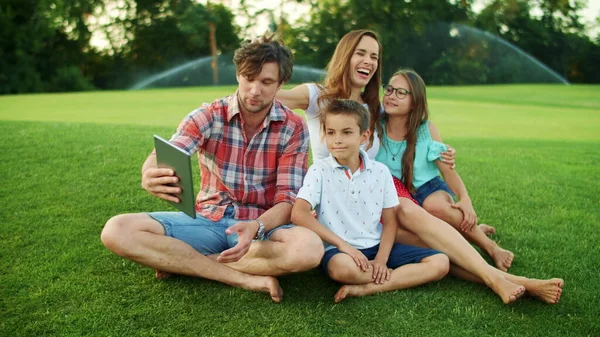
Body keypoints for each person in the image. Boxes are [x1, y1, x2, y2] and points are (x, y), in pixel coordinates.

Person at [279, 29, 563, 304]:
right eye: (360, 53)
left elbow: (410, 126)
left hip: (379, 192)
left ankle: (505, 280)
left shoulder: (373, 107)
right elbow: (270, 95)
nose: (368, 61)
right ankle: (507, 280)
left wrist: (442, 151)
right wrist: (252, 82)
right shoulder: (317, 95)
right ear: (345, 55)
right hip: (341, 197)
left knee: (426, 236)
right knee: (433, 246)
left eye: (374, 57)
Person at [100, 35, 324, 303]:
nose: (255, 90)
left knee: (308, 250)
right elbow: (171, 151)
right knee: (117, 230)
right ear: (238, 74)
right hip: (209, 221)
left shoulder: (293, 128)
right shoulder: (209, 114)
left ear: (281, 84)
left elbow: (288, 199)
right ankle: (239, 277)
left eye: (266, 82)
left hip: (261, 229)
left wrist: (256, 226)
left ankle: (187, 263)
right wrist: (149, 171)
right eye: (248, 78)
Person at [291, 99, 449, 303]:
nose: (337, 140)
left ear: (364, 136)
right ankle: (400, 276)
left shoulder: (380, 172)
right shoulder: (319, 170)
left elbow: (390, 221)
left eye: (346, 132)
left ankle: (366, 288)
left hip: (377, 245)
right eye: (331, 133)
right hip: (340, 251)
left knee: (440, 262)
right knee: (341, 269)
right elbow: (298, 213)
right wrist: (343, 246)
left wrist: (382, 259)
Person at [378, 68, 514, 271]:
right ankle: (472, 233)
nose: (391, 96)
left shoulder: (425, 129)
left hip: (429, 188)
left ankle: (491, 247)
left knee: (436, 208)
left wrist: (465, 199)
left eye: (400, 93)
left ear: (414, 101)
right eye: (389, 90)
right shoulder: (375, 128)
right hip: (399, 198)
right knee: (419, 231)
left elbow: (447, 170)